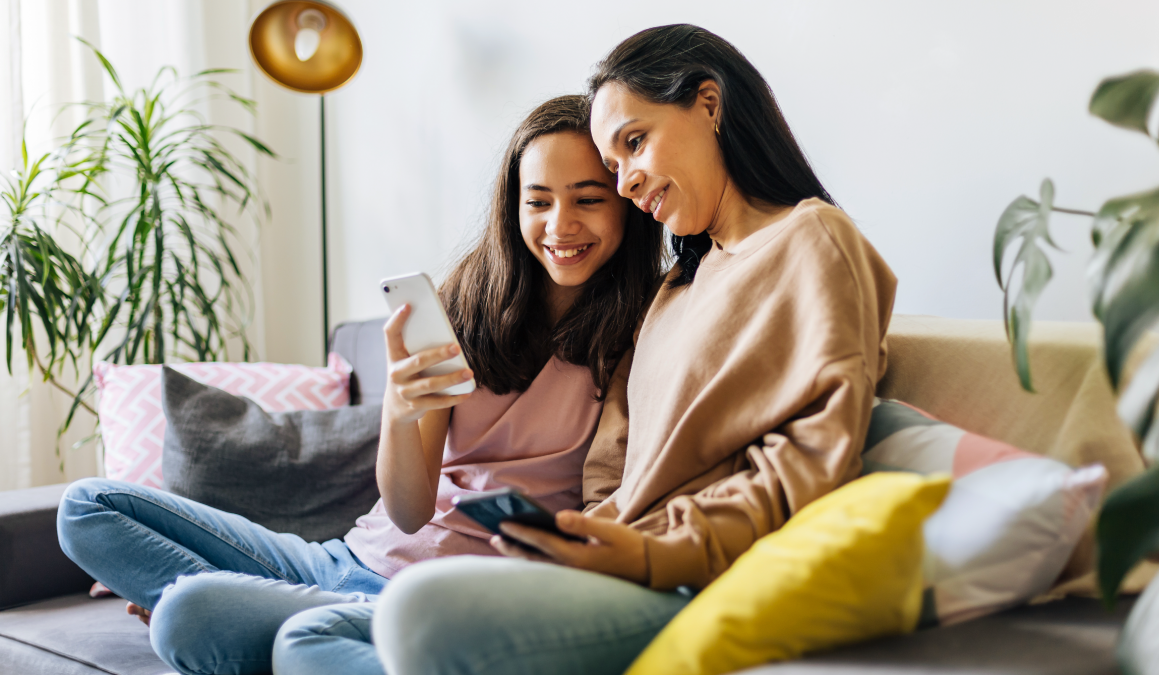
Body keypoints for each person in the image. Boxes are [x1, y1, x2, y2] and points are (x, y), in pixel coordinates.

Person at [348, 24, 899, 675]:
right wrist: (585, 535)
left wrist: (644, 555)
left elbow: (809, 467)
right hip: (608, 562)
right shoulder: (677, 287)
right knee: (295, 629)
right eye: (615, 167)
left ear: (709, 104)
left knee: (409, 613)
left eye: (634, 144)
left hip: (679, 575)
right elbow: (613, 461)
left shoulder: (811, 240)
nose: (629, 182)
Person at [55, 94, 663, 675]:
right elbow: (406, 512)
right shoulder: (460, 306)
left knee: (184, 616)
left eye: (587, 200)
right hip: (341, 561)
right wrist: (399, 409)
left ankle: (276, 621)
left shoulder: (642, 334)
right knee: (85, 507)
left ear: (624, 205)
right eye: (538, 202)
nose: (561, 225)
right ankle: (289, 619)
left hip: (439, 596)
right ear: (514, 207)